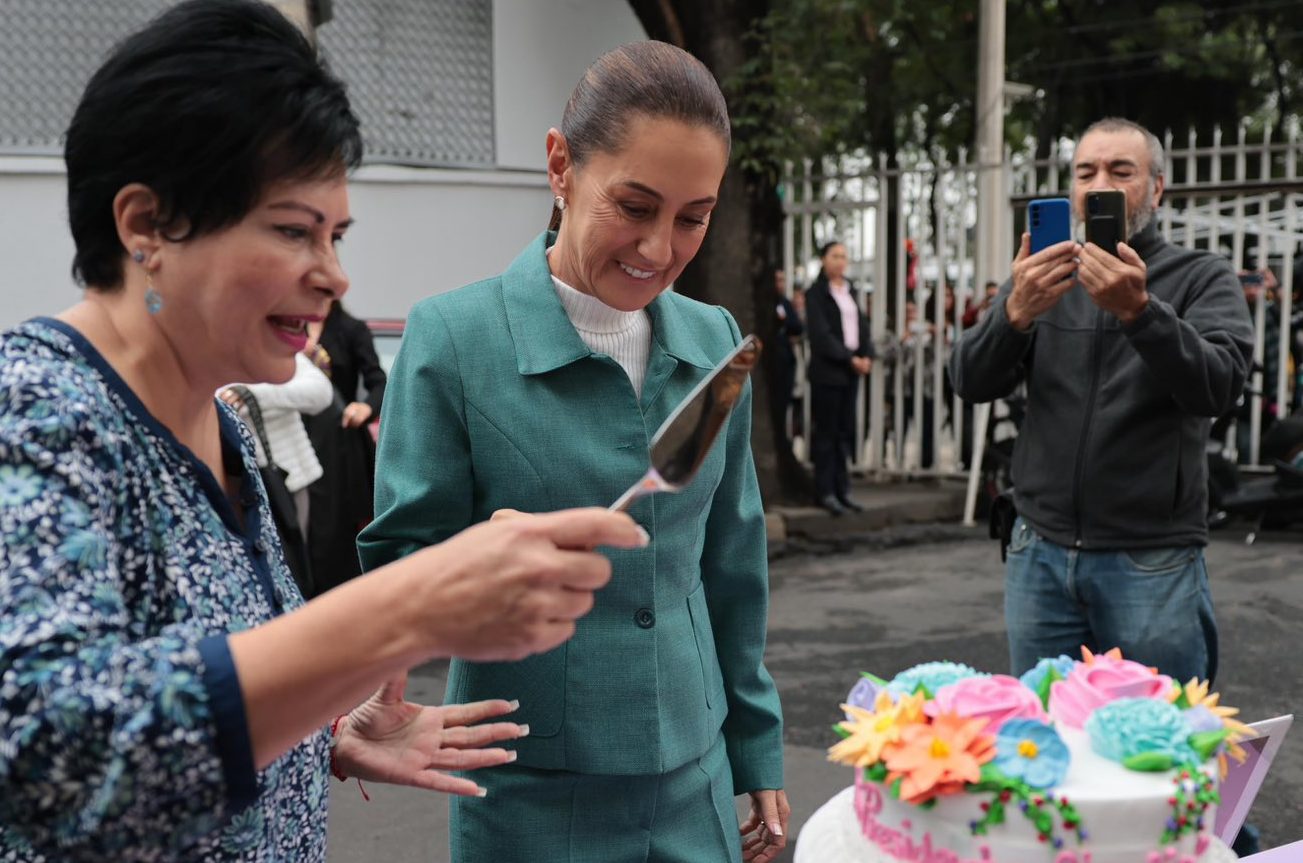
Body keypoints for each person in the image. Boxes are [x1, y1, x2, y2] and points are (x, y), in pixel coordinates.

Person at [0, 3, 647, 861]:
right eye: (292, 230)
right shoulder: (37, 411)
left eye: (335, 235)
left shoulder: (219, 418)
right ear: (144, 225)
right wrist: (407, 606)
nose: (333, 274)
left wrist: (325, 731)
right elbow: (48, 748)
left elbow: (207, 689)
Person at [359, 41, 788, 863]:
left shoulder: (713, 339)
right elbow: (399, 560)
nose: (658, 249)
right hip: (531, 789)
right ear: (559, 166)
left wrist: (754, 744)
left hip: (695, 776)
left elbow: (732, 565)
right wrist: (483, 567)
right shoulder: (453, 339)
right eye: (633, 205)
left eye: (692, 217)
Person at [949, 117, 1254, 684]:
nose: (1100, 185)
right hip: (1038, 551)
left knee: (1160, 749)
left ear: (1156, 188)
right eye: (1085, 171)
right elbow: (968, 379)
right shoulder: (1042, 277)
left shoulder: (1200, 277)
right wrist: (1015, 314)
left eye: (1121, 170)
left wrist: (1142, 312)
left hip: (1151, 560)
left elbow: (1220, 386)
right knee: (1044, 746)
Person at [302, 299, 387, 595]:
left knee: (334, 531)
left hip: (339, 442)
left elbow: (378, 382)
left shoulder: (351, 329)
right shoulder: (289, 326)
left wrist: (364, 407)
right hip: (296, 440)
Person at [804, 240, 873, 514]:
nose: (840, 261)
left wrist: (866, 354)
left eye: (844, 256)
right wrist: (849, 358)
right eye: (834, 256)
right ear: (823, 260)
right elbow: (821, 336)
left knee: (845, 433)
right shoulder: (815, 294)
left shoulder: (851, 290)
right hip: (828, 372)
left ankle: (843, 489)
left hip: (851, 372)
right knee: (827, 433)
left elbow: (862, 325)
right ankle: (825, 491)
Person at [774, 269, 805, 441]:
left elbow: (797, 327)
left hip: (786, 362)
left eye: (782, 280)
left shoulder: (785, 302)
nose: (780, 284)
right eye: (777, 279)